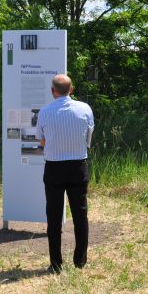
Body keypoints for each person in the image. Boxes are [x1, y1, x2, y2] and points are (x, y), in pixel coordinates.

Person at [35, 74, 94, 273]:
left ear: (53, 91)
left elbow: (41, 140)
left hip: (54, 168)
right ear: (71, 89)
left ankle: (56, 263)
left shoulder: (45, 112)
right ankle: (80, 261)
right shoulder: (85, 109)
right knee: (80, 214)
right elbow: (88, 139)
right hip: (78, 166)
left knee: (53, 217)